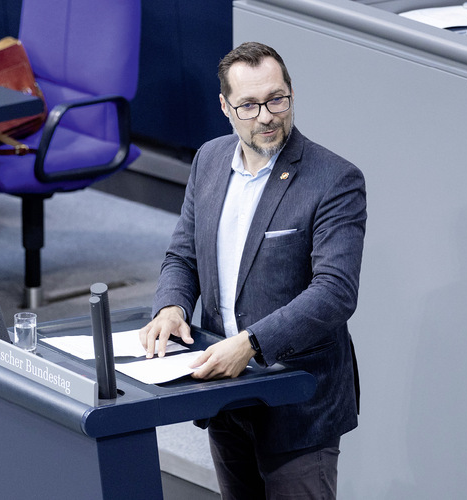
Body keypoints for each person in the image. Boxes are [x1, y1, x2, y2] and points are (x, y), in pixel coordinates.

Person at [139, 41, 366, 499]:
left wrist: (251, 344)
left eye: (276, 99)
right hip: (224, 392)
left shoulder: (335, 179)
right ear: (225, 107)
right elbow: (183, 256)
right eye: (249, 105)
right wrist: (171, 306)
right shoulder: (208, 161)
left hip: (298, 400)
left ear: (291, 94)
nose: (266, 115)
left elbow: (335, 292)